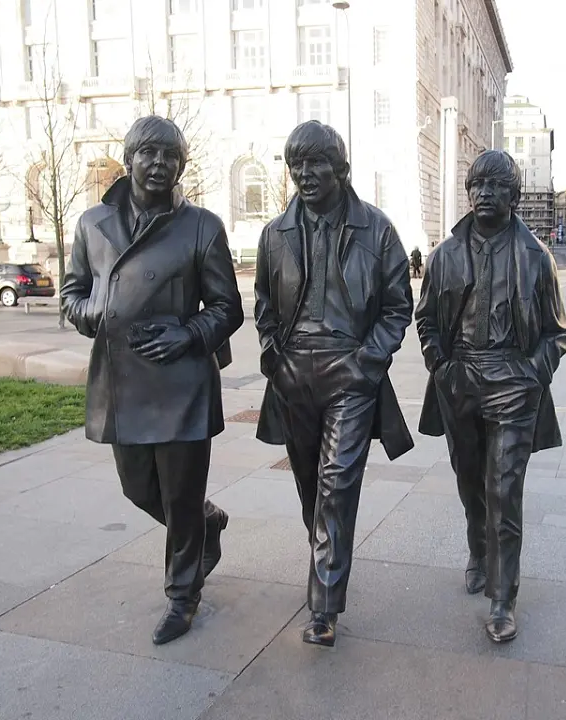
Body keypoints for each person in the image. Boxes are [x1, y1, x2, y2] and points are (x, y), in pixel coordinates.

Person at [62, 115, 244, 646]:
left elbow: (227, 308)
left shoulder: (201, 226)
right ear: (129, 159)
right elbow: (72, 293)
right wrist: (86, 312)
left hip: (182, 380)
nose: (159, 164)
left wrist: (189, 335)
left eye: (170, 156)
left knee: (180, 496)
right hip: (123, 383)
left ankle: (182, 596)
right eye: (149, 154)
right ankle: (207, 523)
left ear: (181, 165)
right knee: (138, 487)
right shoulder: (93, 223)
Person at [253, 120, 414, 647]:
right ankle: (327, 557)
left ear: (341, 170)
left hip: (350, 371)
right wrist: (273, 353)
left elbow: (397, 307)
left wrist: (367, 362)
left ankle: (324, 606)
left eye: (316, 163)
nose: (305, 174)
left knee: (336, 484)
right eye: (296, 164)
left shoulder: (378, 230)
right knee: (310, 486)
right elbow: (262, 302)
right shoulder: (274, 233)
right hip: (294, 373)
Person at [415, 150, 566, 643]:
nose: (485, 194)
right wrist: (440, 364)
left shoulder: (534, 258)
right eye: (478, 185)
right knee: (470, 482)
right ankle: (479, 549)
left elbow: (556, 332)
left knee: (504, 490)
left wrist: (530, 374)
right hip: (459, 379)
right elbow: (425, 320)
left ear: (514, 197)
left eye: (497, 187)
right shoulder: (444, 255)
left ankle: (503, 596)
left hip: (513, 381)